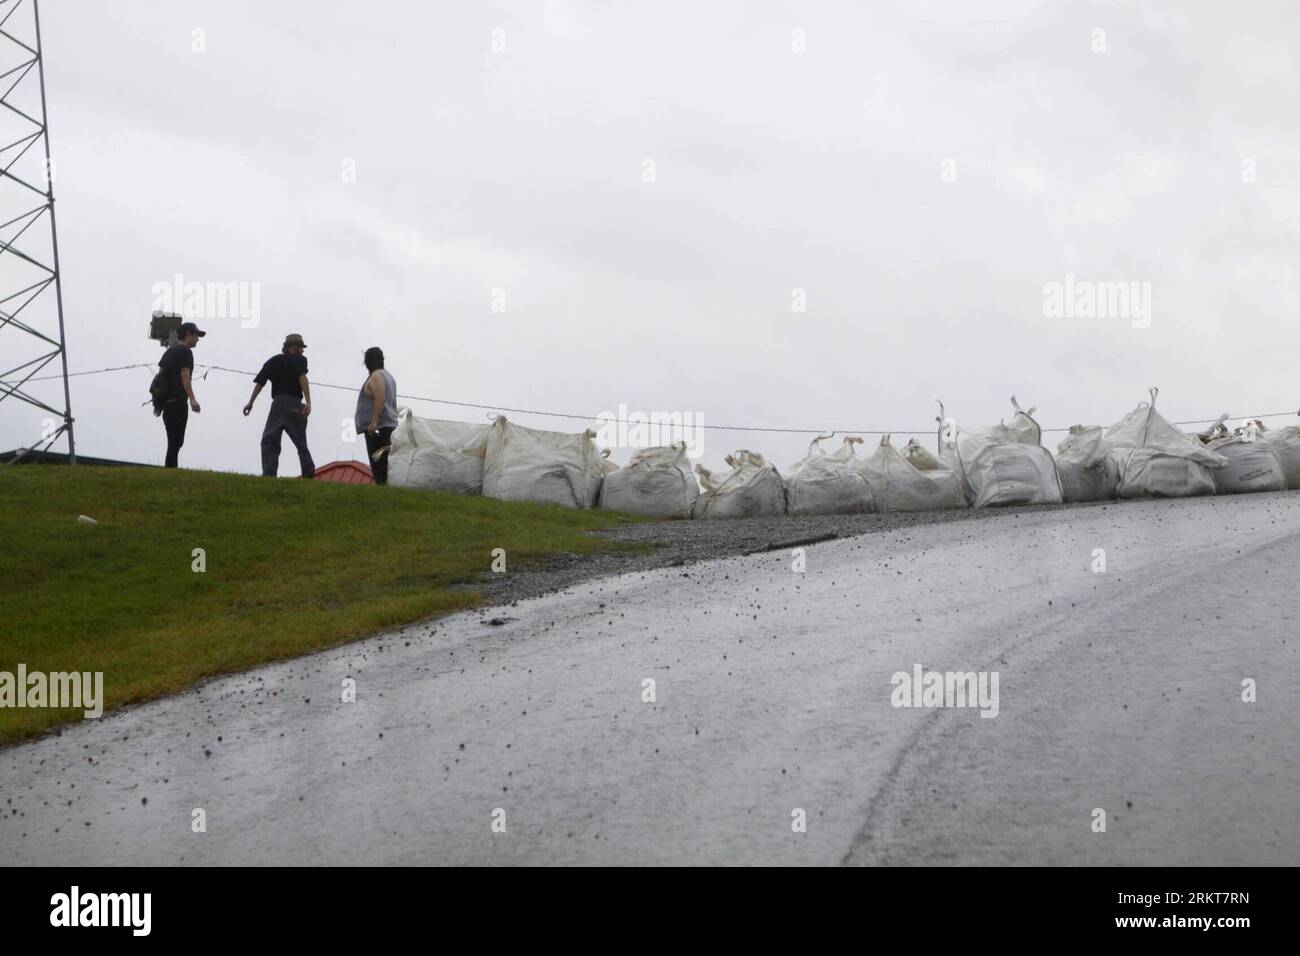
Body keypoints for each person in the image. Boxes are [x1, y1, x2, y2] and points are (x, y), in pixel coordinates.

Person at [243, 333, 316, 478]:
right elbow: (303, 379)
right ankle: (308, 472)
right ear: (293, 347)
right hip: (295, 404)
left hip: (278, 404)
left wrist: (250, 402)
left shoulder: (273, 361)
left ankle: (269, 474)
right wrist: (308, 402)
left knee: (270, 439)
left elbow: (260, 383)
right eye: (301, 347)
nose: (302, 351)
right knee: (301, 441)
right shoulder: (300, 361)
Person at [156, 322, 204, 467]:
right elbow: (185, 375)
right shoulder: (186, 352)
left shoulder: (169, 352)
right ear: (189, 334)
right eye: (196, 335)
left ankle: (170, 471)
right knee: (176, 442)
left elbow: (160, 378)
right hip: (177, 403)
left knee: (174, 441)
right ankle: (170, 472)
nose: (198, 339)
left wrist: (158, 402)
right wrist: (193, 399)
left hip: (167, 404)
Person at [353, 347, 399, 484]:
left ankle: (384, 489)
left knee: (379, 465)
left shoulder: (377, 376)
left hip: (379, 428)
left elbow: (380, 398)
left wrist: (373, 423)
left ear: (367, 362)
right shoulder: (389, 376)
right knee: (385, 463)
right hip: (387, 425)